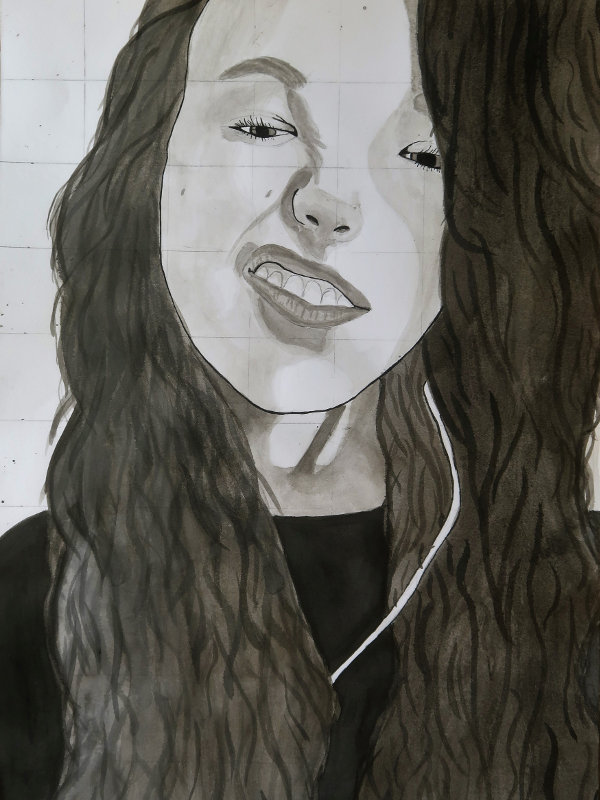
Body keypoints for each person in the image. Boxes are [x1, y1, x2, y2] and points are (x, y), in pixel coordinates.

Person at [0, 0, 598, 798]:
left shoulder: (576, 599)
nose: (328, 203)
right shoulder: (29, 598)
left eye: (425, 154)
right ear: (152, 152)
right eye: (263, 126)